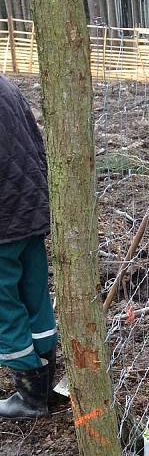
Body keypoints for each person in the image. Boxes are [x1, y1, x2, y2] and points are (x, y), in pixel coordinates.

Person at [0, 73, 59, 419]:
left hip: (4, 218)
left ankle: (30, 395)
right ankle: (45, 378)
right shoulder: (6, 84)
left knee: (5, 304)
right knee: (34, 294)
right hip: (31, 209)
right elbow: (35, 144)